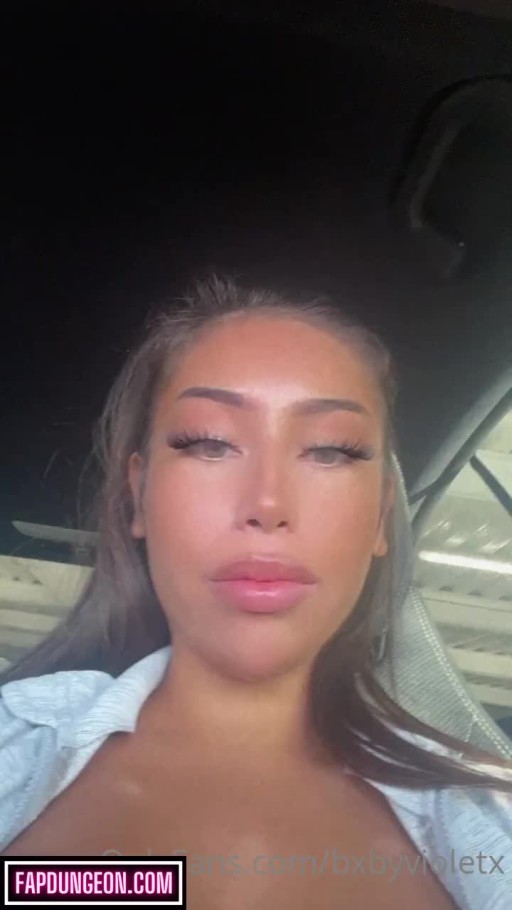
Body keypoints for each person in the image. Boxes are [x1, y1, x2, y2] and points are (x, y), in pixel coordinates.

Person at [0, 275, 511, 909]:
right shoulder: (15, 742)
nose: (267, 503)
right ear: (138, 493)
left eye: (330, 450)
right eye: (208, 443)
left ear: (382, 515)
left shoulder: (487, 819)